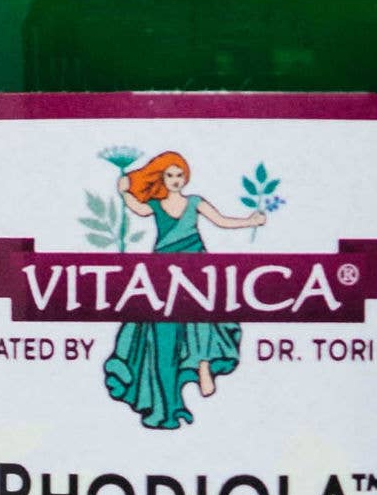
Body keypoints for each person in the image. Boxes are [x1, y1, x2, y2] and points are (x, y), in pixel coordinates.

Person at [100, 152, 271, 430]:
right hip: (163, 270)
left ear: (185, 177)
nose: (176, 180)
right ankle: (167, 409)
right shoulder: (155, 205)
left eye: (180, 175)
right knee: (162, 344)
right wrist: (124, 192)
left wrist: (250, 222)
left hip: (195, 263)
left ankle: (203, 361)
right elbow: (139, 209)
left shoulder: (195, 202)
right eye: (170, 175)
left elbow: (222, 221)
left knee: (205, 315)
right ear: (162, 178)